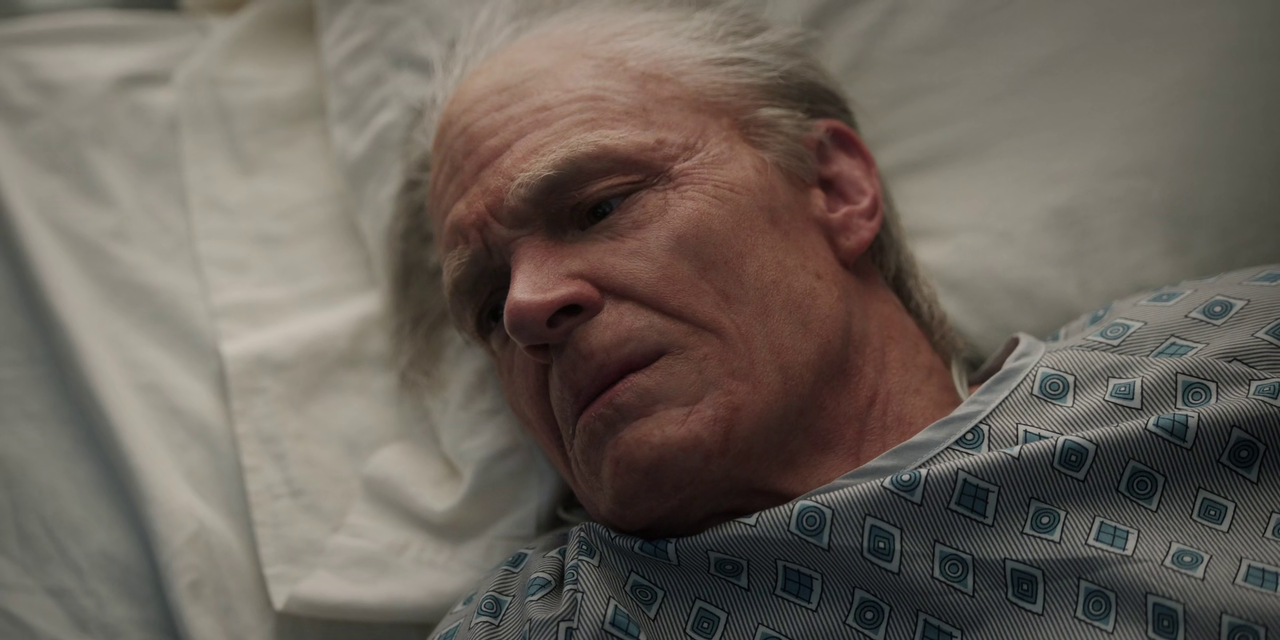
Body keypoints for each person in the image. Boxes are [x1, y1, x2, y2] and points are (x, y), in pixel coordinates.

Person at [389, 2, 1280, 638]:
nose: (526, 308)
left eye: (601, 206)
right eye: (487, 307)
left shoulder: (1229, 366)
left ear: (835, 188)